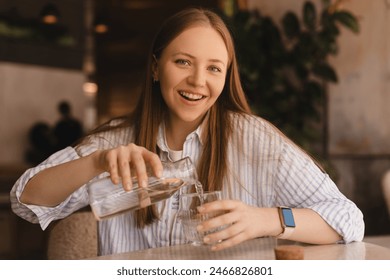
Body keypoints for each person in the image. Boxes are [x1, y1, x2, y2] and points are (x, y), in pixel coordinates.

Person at [10, 7, 364, 256]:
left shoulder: (256, 140)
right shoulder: (116, 141)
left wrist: (266, 220)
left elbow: (348, 219)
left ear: (226, 78)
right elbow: (25, 201)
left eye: (214, 68)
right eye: (183, 62)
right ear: (155, 67)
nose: (198, 81)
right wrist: (97, 162)